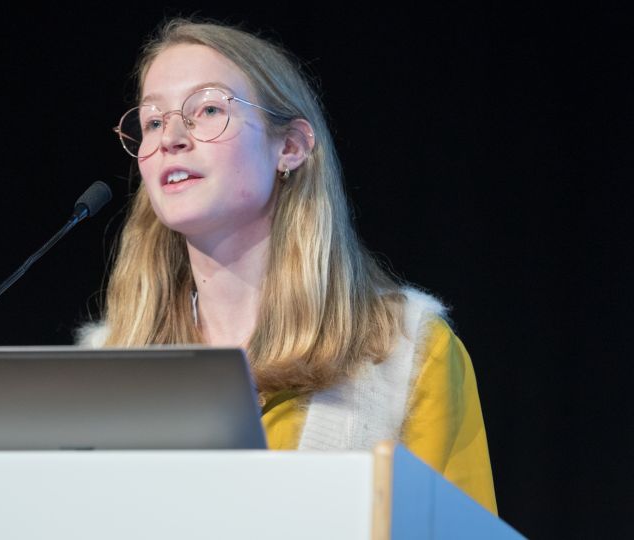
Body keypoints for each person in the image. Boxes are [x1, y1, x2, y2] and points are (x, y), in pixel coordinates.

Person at [77, 18, 496, 514]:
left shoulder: (405, 352)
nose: (169, 137)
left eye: (207, 109)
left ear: (290, 147)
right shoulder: (108, 364)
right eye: (151, 121)